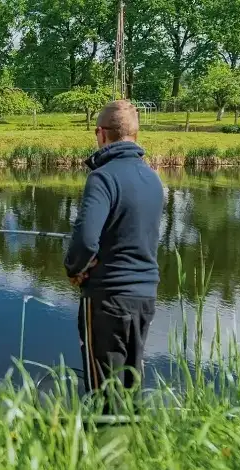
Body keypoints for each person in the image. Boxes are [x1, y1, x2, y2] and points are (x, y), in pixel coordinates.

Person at [64, 99, 164, 414]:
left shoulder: (103, 178)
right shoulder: (153, 179)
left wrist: (74, 269)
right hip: (145, 297)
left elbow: (85, 240)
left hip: (108, 299)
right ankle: (128, 450)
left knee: (102, 391)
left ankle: (101, 453)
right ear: (135, 134)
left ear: (100, 134)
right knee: (130, 385)